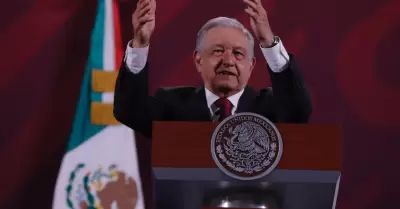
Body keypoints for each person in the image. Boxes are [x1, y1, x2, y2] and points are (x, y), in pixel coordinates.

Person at [114, 0, 312, 138]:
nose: (228, 60)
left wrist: (269, 43)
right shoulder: (173, 104)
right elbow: (129, 111)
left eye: (238, 53)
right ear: (198, 60)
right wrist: (140, 43)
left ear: (251, 66)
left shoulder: (270, 106)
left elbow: (298, 112)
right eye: (218, 51)